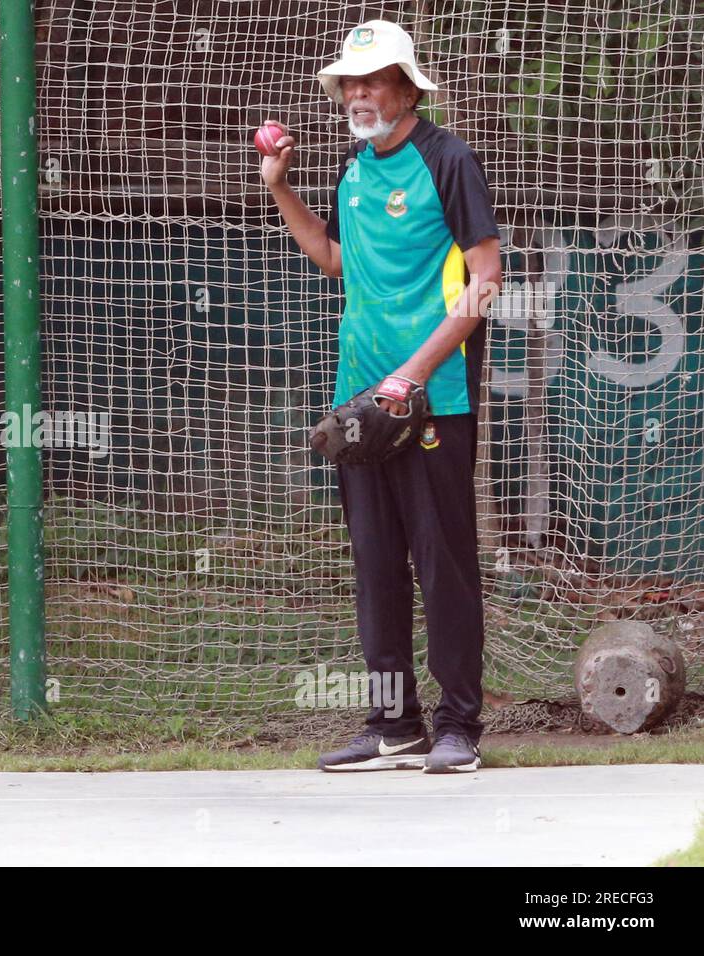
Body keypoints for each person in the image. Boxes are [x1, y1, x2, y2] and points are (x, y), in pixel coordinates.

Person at [261, 19, 503, 772]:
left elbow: (488, 279)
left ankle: (459, 724)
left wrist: (415, 373)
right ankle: (393, 725)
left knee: (444, 565)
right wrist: (281, 190)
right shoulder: (351, 166)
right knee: (374, 565)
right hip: (358, 403)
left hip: (434, 399)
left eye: (372, 81)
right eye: (349, 84)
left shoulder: (447, 158)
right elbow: (334, 261)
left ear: (406, 87)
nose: (357, 94)